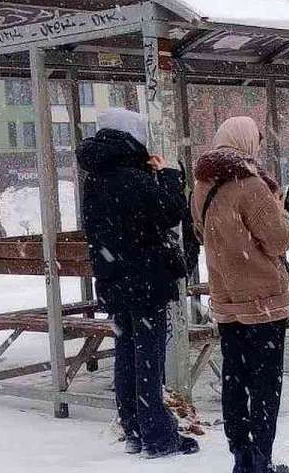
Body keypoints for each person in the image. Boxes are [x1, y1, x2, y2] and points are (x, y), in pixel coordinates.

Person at [77, 108, 198, 459]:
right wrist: (171, 177)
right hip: (144, 281)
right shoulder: (132, 177)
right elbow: (170, 211)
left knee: (127, 354)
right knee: (148, 357)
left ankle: (133, 428)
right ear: (132, 138)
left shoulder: (96, 178)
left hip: (113, 281)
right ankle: (158, 435)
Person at [192, 117, 289, 473]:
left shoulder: (202, 185)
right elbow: (279, 239)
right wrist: (282, 211)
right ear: (246, 142)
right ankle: (261, 461)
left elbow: (201, 232)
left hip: (226, 299)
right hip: (263, 300)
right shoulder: (250, 185)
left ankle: (241, 456)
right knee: (265, 385)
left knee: (234, 380)